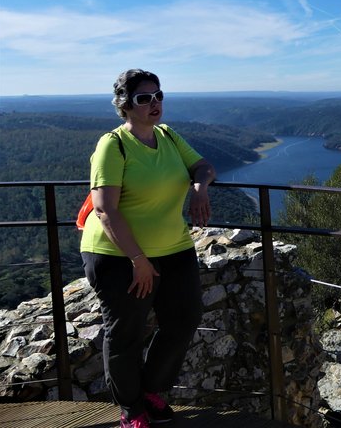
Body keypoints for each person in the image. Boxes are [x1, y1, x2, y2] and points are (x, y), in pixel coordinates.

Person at [80, 69, 216, 428]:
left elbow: (203, 166)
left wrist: (199, 188)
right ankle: (131, 409)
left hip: (173, 247)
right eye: (144, 98)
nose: (154, 103)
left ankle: (153, 390)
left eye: (158, 95)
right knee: (125, 332)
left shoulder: (168, 136)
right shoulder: (114, 145)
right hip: (117, 254)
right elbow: (105, 209)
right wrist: (137, 260)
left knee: (184, 317)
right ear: (125, 105)